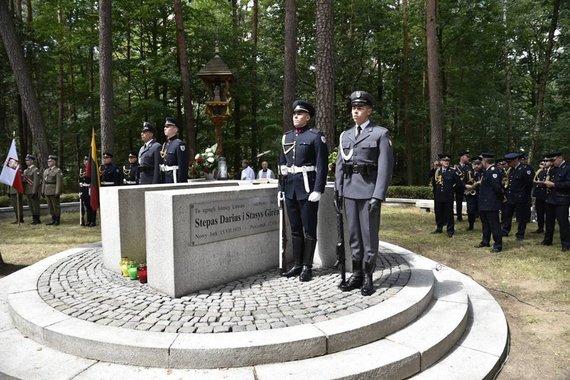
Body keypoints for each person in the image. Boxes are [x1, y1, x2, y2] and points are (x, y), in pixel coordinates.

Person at [335, 91, 393, 296]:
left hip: (369, 192)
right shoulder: (346, 135)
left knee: (369, 236)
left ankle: (369, 277)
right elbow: (341, 165)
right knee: (353, 235)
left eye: (360, 108)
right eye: (353, 108)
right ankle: (356, 274)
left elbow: (385, 168)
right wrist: (338, 190)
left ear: (369, 110)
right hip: (350, 192)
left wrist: (378, 195)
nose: (355, 111)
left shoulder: (380, 134)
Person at [279, 100, 328, 282]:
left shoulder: (316, 137)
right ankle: (297, 264)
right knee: (295, 230)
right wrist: (280, 188)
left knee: (309, 229)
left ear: (307, 117)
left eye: (300, 114)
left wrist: (318, 190)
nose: (296, 116)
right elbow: (281, 163)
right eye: (294, 114)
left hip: (307, 189)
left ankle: (307, 266)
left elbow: (321, 166)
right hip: (290, 189)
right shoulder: (287, 137)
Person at [474, 153, 503, 253]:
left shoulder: (493, 171)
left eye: (481, 161)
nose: (480, 163)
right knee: (485, 224)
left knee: (494, 225)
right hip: (484, 203)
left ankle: (498, 245)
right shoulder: (486, 171)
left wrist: (498, 200)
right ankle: (485, 241)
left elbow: (497, 188)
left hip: (491, 203)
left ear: (485, 161)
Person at [501, 152, 534, 241]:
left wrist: (524, 195)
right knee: (507, 215)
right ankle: (505, 230)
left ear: (515, 160)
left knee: (521, 217)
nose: (508, 164)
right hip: (511, 196)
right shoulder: (511, 170)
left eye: (509, 162)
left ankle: (520, 234)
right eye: (507, 162)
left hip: (521, 197)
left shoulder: (525, 169)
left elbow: (529, 184)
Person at [542, 152, 570, 252]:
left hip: (562, 199)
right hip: (551, 199)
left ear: (560, 158)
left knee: (563, 223)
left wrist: (554, 185)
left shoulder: (568, 168)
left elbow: (568, 183)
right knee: (549, 221)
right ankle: (547, 240)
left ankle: (566, 244)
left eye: (553, 160)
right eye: (551, 161)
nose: (552, 162)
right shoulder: (553, 169)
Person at [431, 154, 463, 237]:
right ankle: (439, 228)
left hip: (448, 196)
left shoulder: (452, 171)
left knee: (449, 214)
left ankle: (450, 230)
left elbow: (459, 183)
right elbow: (433, 182)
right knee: (438, 213)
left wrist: (452, 190)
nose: (446, 162)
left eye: (448, 161)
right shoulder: (437, 171)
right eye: (445, 161)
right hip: (438, 195)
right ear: (441, 162)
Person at [160, 117, 188, 183]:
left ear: (175, 129)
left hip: (175, 178)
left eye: (168, 126)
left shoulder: (179, 144)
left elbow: (182, 165)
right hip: (167, 177)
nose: (165, 128)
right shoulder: (166, 144)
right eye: (165, 126)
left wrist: (181, 182)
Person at [42, 155, 63, 225]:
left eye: (50, 161)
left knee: (55, 206)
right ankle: (53, 218)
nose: (48, 162)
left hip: (53, 190)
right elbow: (44, 182)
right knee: (50, 206)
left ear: (54, 162)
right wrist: (42, 191)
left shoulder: (57, 171)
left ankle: (57, 219)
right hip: (47, 190)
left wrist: (57, 192)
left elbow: (59, 182)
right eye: (48, 161)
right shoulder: (46, 171)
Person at [532, 157, 550, 234]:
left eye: (546, 162)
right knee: (539, 212)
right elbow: (534, 180)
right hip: (539, 194)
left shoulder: (550, 171)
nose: (544, 163)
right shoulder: (539, 171)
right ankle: (540, 227)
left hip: (547, 194)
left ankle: (549, 229)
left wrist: (542, 183)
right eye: (542, 162)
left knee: (548, 213)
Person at [23, 154, 42, 225]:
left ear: (32, 161)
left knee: (35, 205)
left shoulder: (35, 170)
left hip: (33, 190)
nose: (26, 161)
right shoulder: (25, 171)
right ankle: (34, 218)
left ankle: (37, 219)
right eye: (26, 160)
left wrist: (34, 191)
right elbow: (24, 181)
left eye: (27, 160)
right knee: (30, 206)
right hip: (27, 190)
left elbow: (36, 182)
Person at [464, 158, 483, 230]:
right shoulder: (468, 172)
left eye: (478, 164)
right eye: (475, 164)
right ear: (472, 165)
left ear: (481, 165)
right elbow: (462, 182)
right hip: (470, 194)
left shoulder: (483, 173)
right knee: (470, 211)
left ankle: (484, 226)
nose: (477, 166)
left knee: (481, 210)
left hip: (481, 194)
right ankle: (471, 225)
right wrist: (466, 185)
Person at [79, 156, 96, 227]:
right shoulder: (82, 169)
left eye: (87, 160)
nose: (86, 162)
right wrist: (80, 190)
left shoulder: (92, 169)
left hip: (90, 188)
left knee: (92, 205)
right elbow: (80, 180)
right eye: (85, 160)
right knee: (87, 206)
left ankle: (93, 221)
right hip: (84, 189)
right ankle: (88, 221)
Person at [454, 151, 471, 221]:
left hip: (468, 188)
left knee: (470, 203)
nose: (468, 158)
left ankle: (471, 217)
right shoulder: (456, 167)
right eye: (467, 157)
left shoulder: (469, 166)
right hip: (459, 187)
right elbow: (456, 179)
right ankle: (459, 217)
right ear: (462, 157)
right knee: (459, 203)